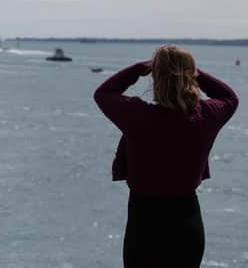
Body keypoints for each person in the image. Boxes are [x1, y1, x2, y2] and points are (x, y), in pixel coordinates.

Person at [94, 45, 238, 267]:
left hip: (144, 224)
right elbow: (229, 98)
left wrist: (138, 69)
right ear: (191, 77)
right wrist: (195, 73)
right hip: (186, 222)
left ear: (156, 79)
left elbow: (103, 93)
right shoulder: (205, 117)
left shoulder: (139, 116)